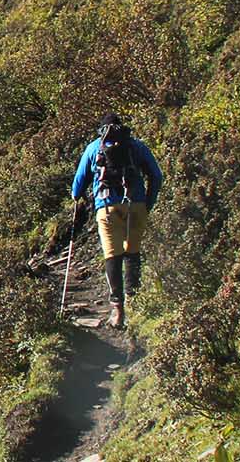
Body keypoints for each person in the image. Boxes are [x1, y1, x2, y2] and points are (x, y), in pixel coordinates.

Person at [69, 113, 163, 328]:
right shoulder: (136, 146)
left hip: (107, 207)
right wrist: (148, 202)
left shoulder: (94, 148)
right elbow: (156, 176)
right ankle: (135, 303)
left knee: (113, 255)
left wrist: (78, 196)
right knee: (132, 252)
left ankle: (118, 311)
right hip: (136, 205)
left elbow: (78, 183)